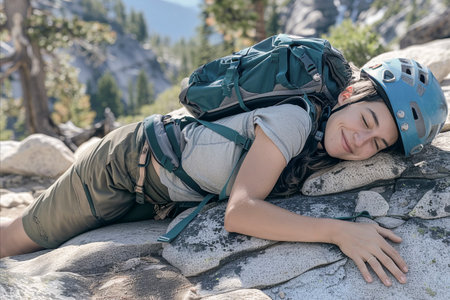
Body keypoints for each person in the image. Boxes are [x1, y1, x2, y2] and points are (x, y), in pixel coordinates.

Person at [1, 58, 447, 288]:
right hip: (122, 167)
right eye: (367, 123)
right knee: (19, 239)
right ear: (349, 93)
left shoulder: (326, 134)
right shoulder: (295, 119)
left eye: (377, 145)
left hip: (160, 191)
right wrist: (341, 232)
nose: (360, 144)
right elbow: (241, 213)